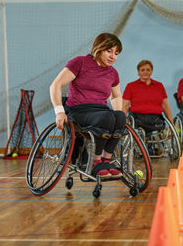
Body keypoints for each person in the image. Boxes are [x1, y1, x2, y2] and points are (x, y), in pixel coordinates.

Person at [50, 33, 126, 178]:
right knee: (107, 117)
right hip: (78, 111)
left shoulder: (112, 73)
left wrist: (118, 119)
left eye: (116, 53)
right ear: (99, 48)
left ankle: (106, 160)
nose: (113, 56)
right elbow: (56, 85)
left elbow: (115, 95)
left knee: (120, 116)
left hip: (101, 112)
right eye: (109, 51)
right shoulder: (80, 62)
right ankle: (94, 162)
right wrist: (59, 111)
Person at [122, 60, 173, 135]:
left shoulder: (159, 86)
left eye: (148, 70)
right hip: (138, 118)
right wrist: (121, 122)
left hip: (155, 118)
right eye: (142, 70)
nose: (145, 72)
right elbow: (125, 105)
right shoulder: (131, 86)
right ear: (138, 72)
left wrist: (171, 123)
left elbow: (165, 105)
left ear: (151, 71)